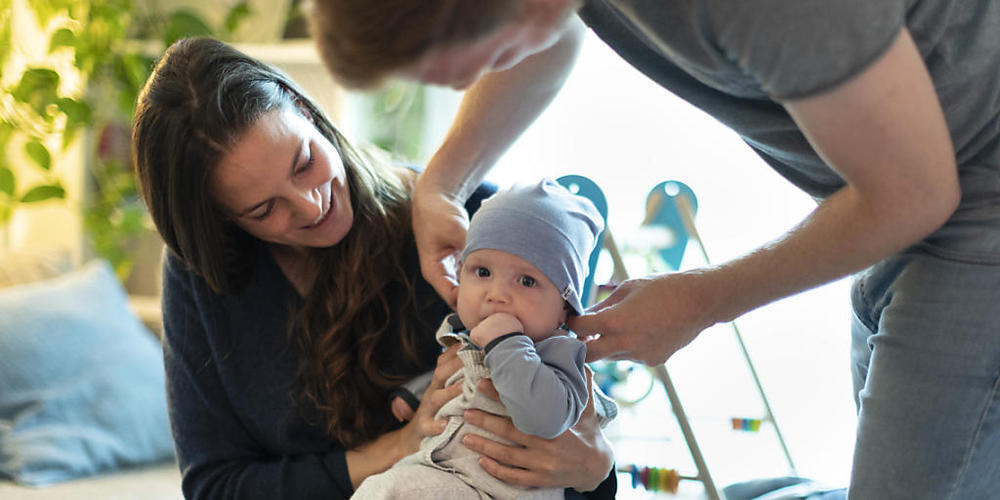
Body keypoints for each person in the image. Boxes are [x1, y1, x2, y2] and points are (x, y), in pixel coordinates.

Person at [308, 1, 1000, 498]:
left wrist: (704, 299)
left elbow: (912, 191)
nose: (462, 87)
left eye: (467, 62)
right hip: (904, 207)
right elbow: (545, 34)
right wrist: (442, 183)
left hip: (967, 208)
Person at [130, 37, 617, 499]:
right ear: (222, 222)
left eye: (304, 162)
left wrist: (596, 470)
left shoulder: (476, 229)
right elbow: (214, 488)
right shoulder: (205, 276)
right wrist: (395, 451)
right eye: (264, 210)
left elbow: (580, 451)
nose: (311, 204)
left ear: (307, 113)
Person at [354, 179, 618, 499]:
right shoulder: (467, 339)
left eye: (526, 280)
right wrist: (415, 394)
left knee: (387, 490)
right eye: (482, 273)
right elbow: (458, 379)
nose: (497, 295)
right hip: (449, 474)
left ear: (564, 306)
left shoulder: (559, 354)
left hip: (499, 489)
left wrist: (507, 344)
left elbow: (545, 418)